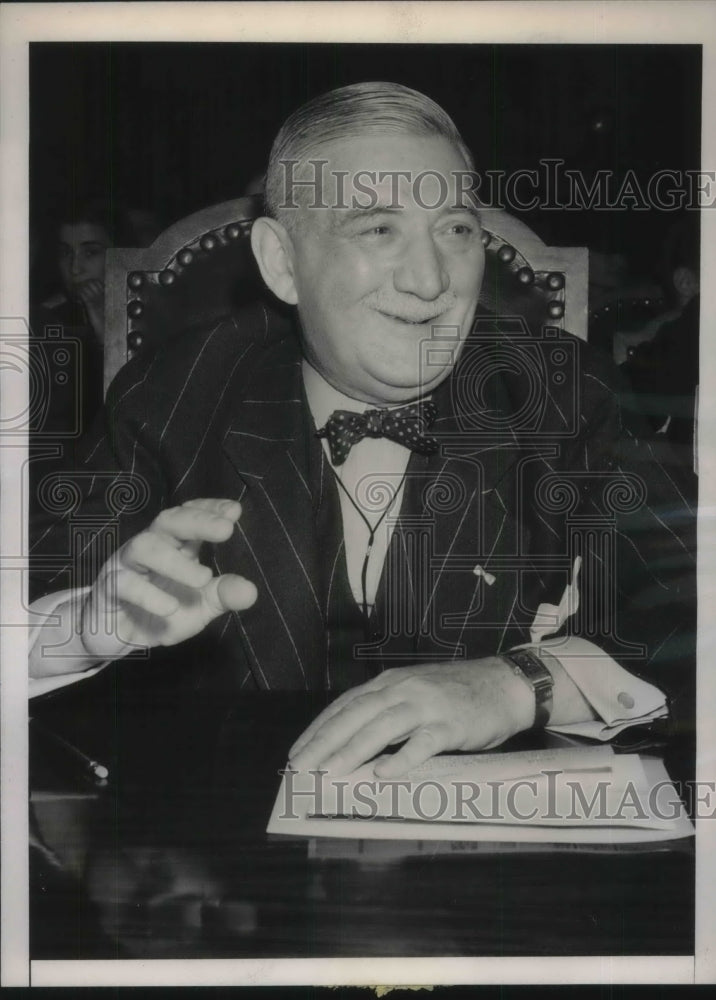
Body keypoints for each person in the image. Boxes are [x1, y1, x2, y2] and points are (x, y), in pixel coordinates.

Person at [28, 82, 695, 781]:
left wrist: (525, 682)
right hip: (235, 855)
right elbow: (28, 608)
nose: (431, 280)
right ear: (282, 262)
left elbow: (691, 608)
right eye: (379, 229)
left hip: (493, 867)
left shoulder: (564, 391)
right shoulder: (174, 393)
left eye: (457, 230)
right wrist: (82, 627)